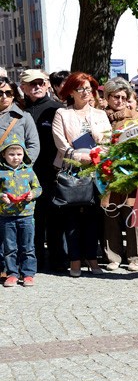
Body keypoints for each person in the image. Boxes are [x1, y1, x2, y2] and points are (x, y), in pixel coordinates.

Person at [52, 72, 111, 278]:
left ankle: (92, 258)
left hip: (95, 170)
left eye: (89, 89)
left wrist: (97, 151)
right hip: (71, 170)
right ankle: (75, 260)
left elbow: (108, 141)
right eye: (81, 89)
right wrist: (78, 156)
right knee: (72, 218)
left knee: (93, 217)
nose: (86, 93)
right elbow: (61, 143)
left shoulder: (100, 114)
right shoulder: (62, 114)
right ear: (71, 91)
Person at [20, 69, 67, 272]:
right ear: (23, 88)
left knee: (55, 219)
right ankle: (35, 259)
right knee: (32, 219)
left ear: (48, 84)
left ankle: (58, 260)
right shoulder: (20, 111)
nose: (37, 87)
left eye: (40, 83)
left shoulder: (58, 109)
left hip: (52, 173)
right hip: (26, 174)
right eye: (32, 84)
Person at [102, 79, 138, 272]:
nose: (119, 101)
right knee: (110, 213)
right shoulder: (101, 117)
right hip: (107, 172)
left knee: (132, 213)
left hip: (130, 171)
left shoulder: (136, 117)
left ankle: (135, 257)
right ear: (107, 97)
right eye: (115, 97)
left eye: (123, 97)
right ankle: (113, 256)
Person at [0, 138, 41, 287]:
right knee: (10, 247)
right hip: (7, 216)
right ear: (4, 155)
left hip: (27, 215)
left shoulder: (28, 171)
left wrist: (33, 194)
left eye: (19, 154)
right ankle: (12, 273)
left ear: (24, 154)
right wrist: (2, 196)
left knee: (28, 246)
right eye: (11, 154)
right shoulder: (1, 172)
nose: (15, 157)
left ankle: (28, 273)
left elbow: (38, 188)